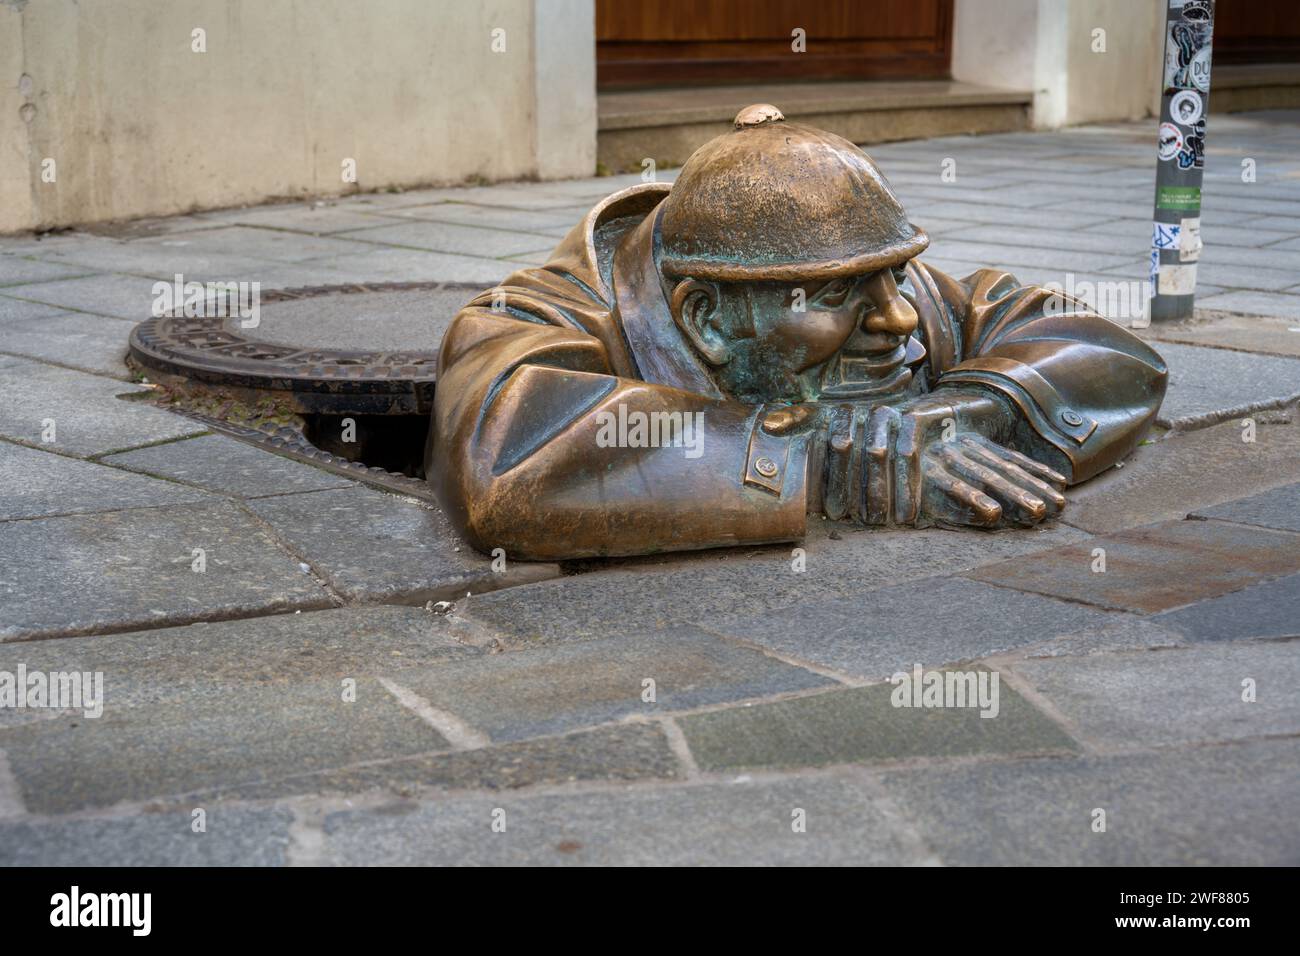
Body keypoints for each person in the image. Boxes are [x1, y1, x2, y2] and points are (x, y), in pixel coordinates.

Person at [427, 105, 1167, 560]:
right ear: (705, 320)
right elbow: (501, 457)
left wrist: (966, 414)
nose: (900, 318)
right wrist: (823, 461)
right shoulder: (542, 314)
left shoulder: (896, 292)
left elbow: (1101, 345)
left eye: (895, 276)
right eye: (836, 294)